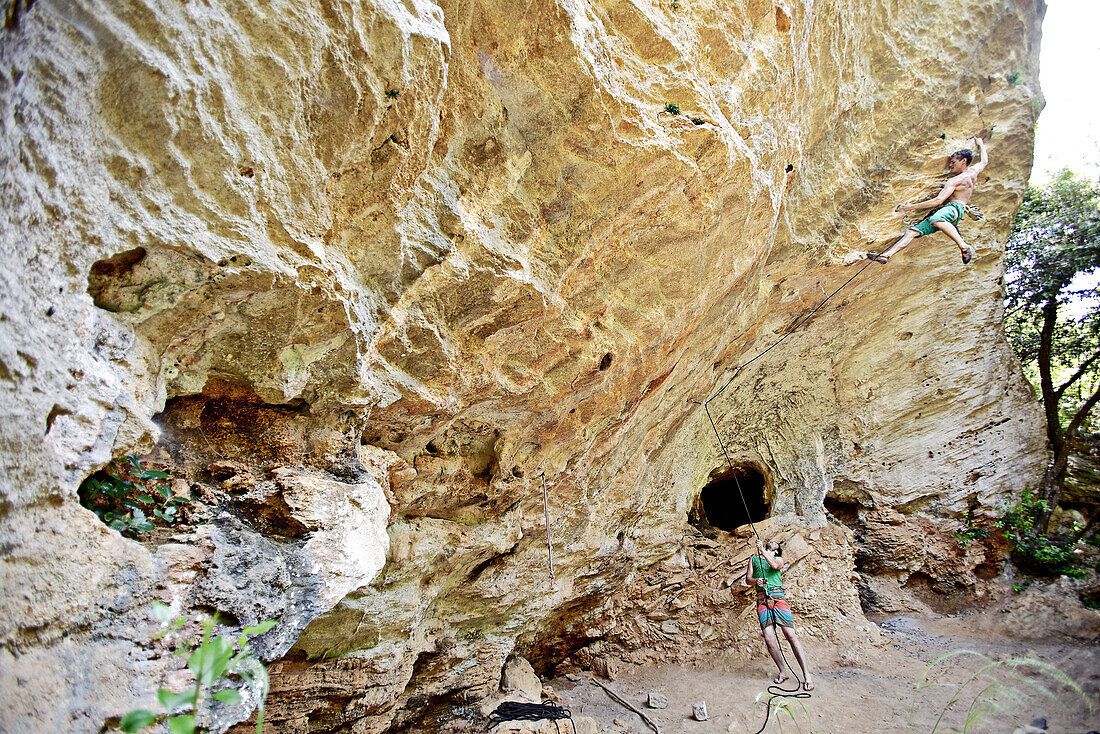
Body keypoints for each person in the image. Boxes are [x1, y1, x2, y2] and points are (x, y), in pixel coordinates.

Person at [867, 137, 988, 266]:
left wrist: (910, 207)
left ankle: (964, 246)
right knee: (911, 232)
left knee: (936, 219)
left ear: (963, 161)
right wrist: (980, 144)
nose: (950, 165)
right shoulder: (973, 172)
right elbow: (984, 161)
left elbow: (938, 200)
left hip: (953, 209)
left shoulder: (955, 181)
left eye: (953, 162)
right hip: (954, 212)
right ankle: (886, 255)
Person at [744, 538, 814, 690]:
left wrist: (763, 549)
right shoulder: (754, 559)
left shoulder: (778, 559)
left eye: (776, 544)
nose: (773, 541)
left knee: (790, 635)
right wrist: (756, 581)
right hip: (762, 599)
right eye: (772, 541)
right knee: (769, 639)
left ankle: (806, 674)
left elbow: (775, 565)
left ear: (776, 550)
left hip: (778, 598)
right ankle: (783, 672)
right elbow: (747, 580)